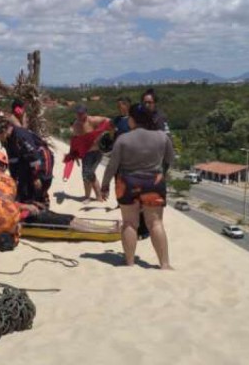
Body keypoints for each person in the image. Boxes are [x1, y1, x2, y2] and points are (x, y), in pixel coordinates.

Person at [101, 103, 175, 269]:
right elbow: (170, 159)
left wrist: (104, 185)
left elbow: (112, 166)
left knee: (129, 223)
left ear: (132, 120)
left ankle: (129, 262)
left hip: (128, 182)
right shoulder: (162, 136)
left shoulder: (123, 139)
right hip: (154, 182)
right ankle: (164, 264)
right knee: (155, 223)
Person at [0, 118, 54, 207]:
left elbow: (33, 156)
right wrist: (14, 178)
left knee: (39, 186)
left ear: (3, 131)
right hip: (24, 160)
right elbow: (12, 160)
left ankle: (43, 204)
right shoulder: (7, 140)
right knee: (23, 187)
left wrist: (36, 176)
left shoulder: (21, 136)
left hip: (41, 159)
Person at [71, 104, 110, 203]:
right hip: (86, 154)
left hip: (97, 152)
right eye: (78, 113)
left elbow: (108, 120)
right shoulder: (76, 125)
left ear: (86, 113)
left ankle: (97, 196)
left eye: (81, 113)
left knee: (89, 173)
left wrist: (101, 133)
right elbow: (75, 139)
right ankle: (90, 196)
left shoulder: (93, 120)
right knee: (87, 174)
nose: (79, 115)